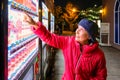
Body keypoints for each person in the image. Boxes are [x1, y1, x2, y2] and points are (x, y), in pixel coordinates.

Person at [24, 13, 107, 80]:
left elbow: (101, 77)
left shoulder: (99, 55)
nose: (76, 31)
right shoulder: (69, 42)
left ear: (89, 36)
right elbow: (50, 37)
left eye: (81, 29)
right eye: (78, 28)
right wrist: (34, 24)